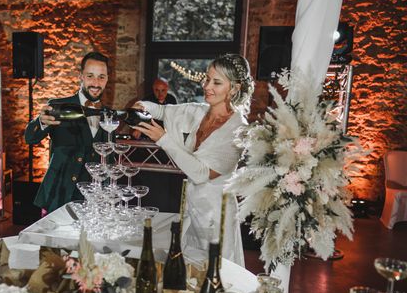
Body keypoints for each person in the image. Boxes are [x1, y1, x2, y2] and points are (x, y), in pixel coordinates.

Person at [132, 54, 254, 267]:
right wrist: (142, 105)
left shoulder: (238, 130)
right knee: (187, 272)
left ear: (234, 88)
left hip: (218, 217)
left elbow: (201, 174)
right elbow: (162, 110)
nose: (207, 86)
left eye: (216, 82)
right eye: (207, 79)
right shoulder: (199, 111)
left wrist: (163, 139)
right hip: (190, 210)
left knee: (217, 275)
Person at [24, 51, 109, 213]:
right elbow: (30, 138)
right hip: (60, 195)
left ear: (107, 79)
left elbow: (108, 160)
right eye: (90, 76)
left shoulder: (108, 114)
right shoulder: (58, 106)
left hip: (93, 200)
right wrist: (40, 122)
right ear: (81, 76)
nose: (96, 83)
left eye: (101, 77)